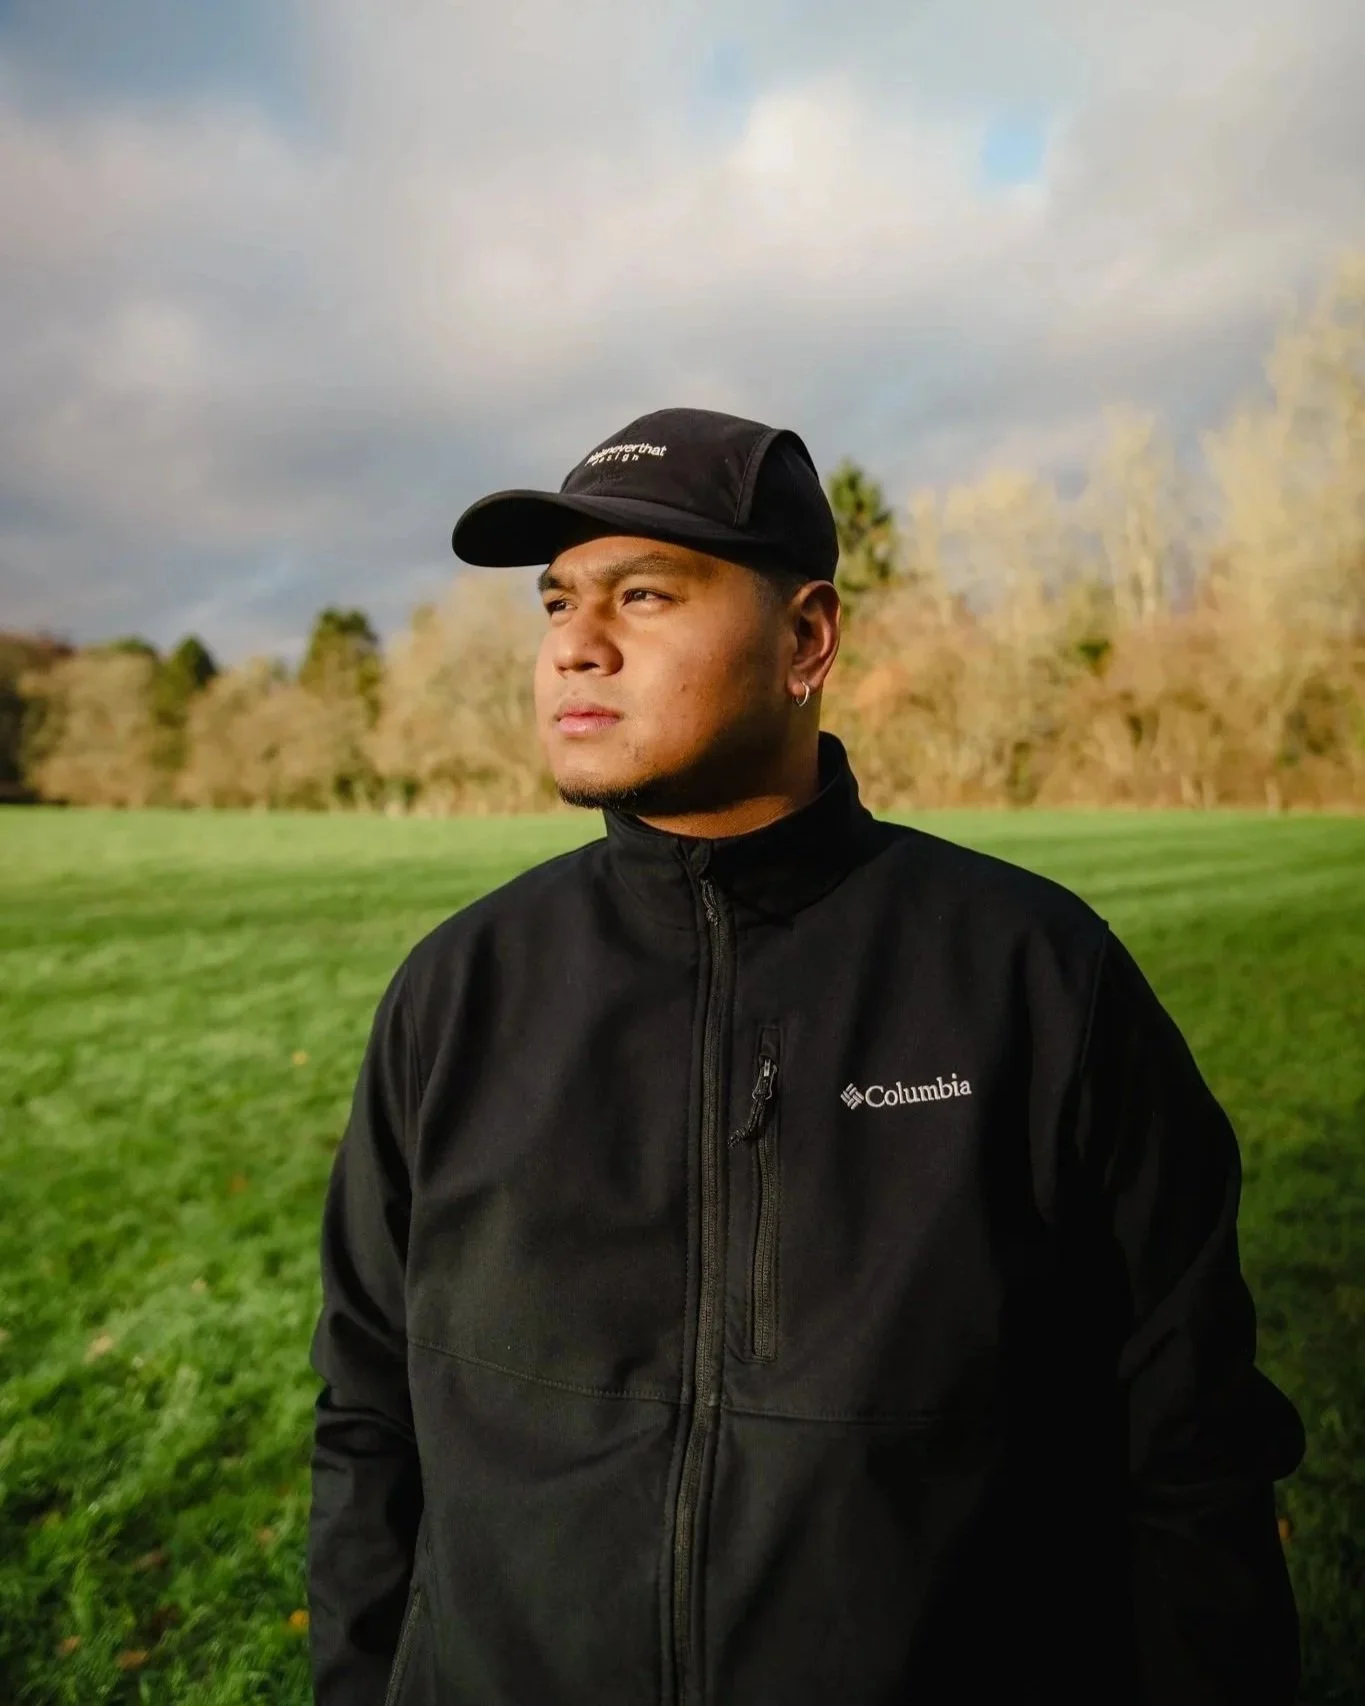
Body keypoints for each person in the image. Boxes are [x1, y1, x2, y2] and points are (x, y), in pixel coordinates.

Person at [305, 407, 1305, 1706]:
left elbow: (1192, 1458)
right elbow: (368, 1423)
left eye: (644, 593)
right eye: (555, 604)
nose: (575, 647)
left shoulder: (1034, 980)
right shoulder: (459, 992)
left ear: (807, 637)